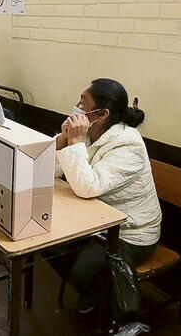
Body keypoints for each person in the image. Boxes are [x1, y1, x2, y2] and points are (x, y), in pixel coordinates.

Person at [53, 78, 162, 314]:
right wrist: (63, 141)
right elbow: (52, 172)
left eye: (83, 101)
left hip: (131, 233)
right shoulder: (92, 132)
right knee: (48, 245)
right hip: (96, 221)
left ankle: (97, 295)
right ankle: (94, 290)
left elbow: (87, 187)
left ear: (102, 113)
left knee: (82, 271)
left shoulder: (128, 144)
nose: (77, 106)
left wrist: (74, 141)